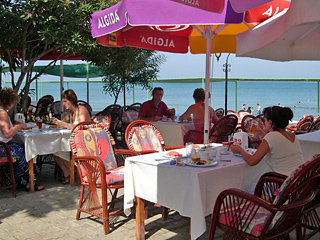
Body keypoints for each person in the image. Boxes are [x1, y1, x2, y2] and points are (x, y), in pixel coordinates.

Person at [231, 106, 304, 176]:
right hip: (299, 180)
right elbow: (276, 143)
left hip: (282, 183)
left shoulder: (271, 136)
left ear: (270, 122)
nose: (264, 123)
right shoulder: (292, 136)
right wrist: (261, 133)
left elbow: (252, 161)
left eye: (264, 120)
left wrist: (239, 150)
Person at [0, 87, 44, 191]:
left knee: (23, 147)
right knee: (29, 150)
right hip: (3, 148)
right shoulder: (2, 114)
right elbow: (7, 133)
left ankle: (20, 180)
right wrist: (19, 127)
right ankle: (29, 181)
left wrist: (17, 124)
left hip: (3, 146)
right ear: (9, 102)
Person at [52, 89, 91, 184]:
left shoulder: (81, 110)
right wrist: (56, 122)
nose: (64, 104)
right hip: (74, 140)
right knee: (54, 149)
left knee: (58, 147)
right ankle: (68, 173)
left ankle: (71, 171)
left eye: (65, 101)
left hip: (85, 142)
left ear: (71, 100)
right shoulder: (71, 113)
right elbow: (63, 123)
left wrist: (61, 123)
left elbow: (78, 127)